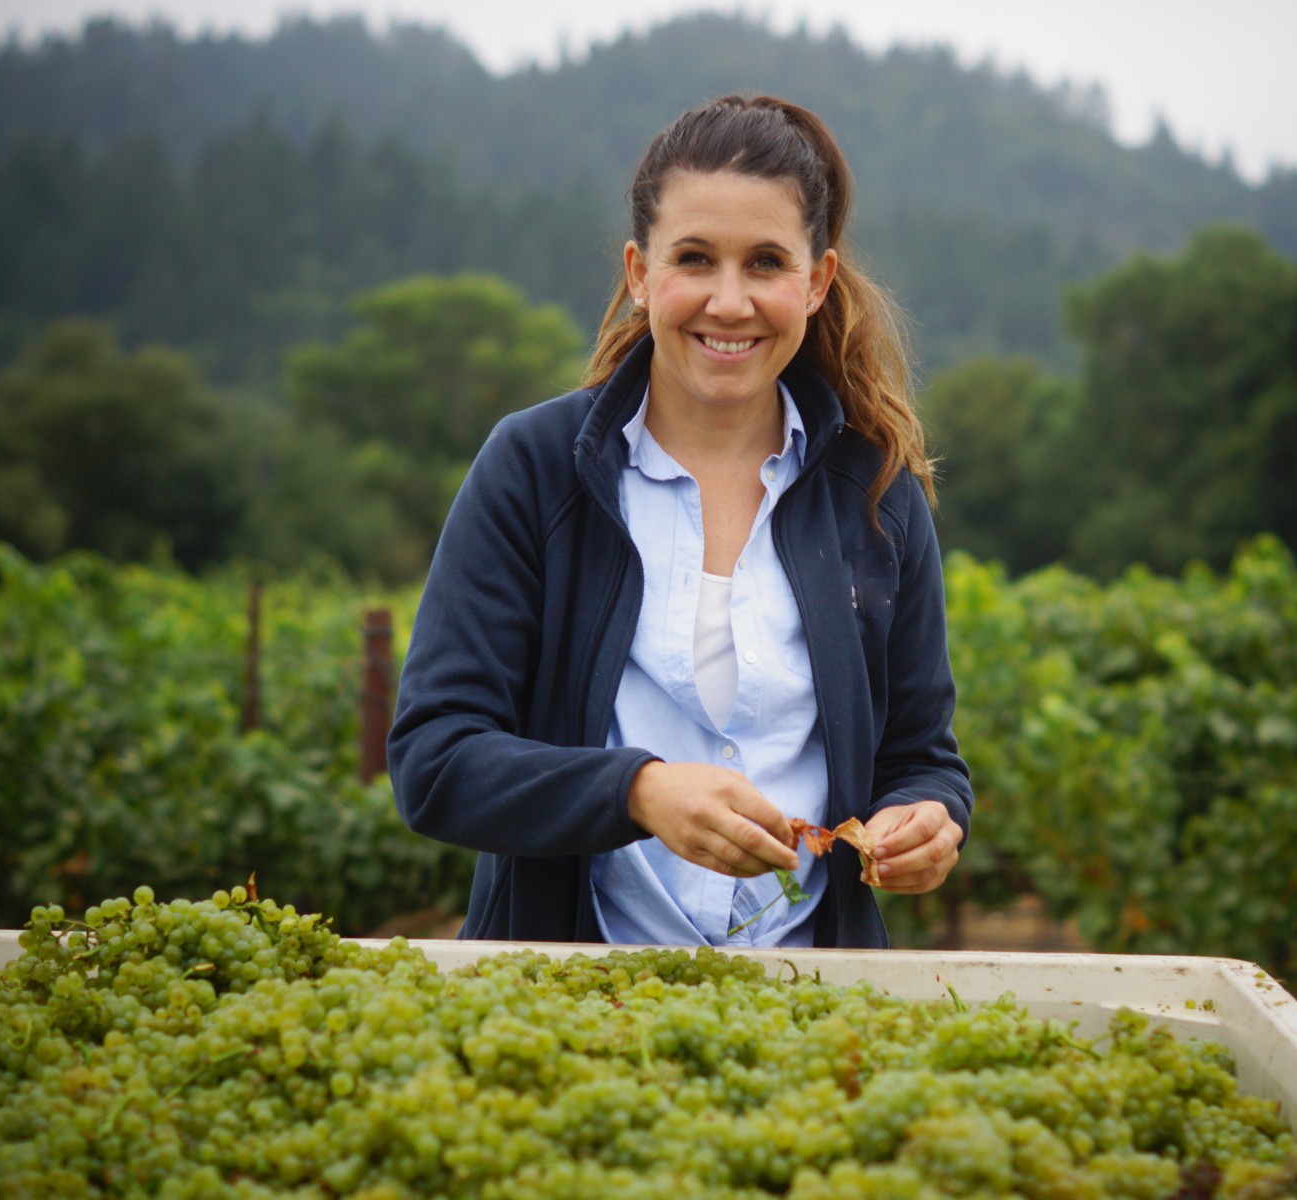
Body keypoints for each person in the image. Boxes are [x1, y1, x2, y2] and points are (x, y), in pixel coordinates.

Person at [387, 94, 971, 948]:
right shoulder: (534, 469)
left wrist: (927, 818)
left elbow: (922, 755)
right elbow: (435, 761)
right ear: (639, 273)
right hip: (565, 1008)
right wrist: (638, 792)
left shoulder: (876, 492)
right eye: (694, 258)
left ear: (816, 283)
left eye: (766, 263)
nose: (729, 302)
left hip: (820, 1009)